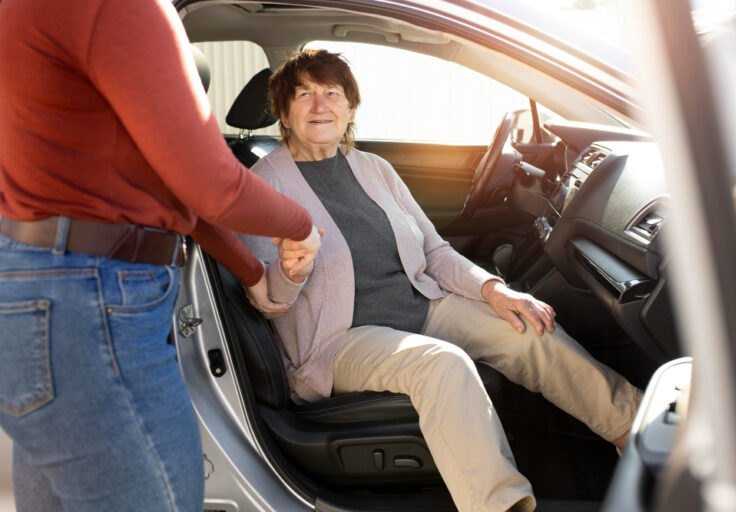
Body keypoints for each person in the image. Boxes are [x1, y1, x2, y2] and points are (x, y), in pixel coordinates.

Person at [240, 49, 643, 512]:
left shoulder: (374, 169)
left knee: (527, 325)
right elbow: (266, 298)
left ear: (350, 107)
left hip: (421, 306)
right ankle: (501, 506)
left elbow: (433, 252)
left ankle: (636, 429)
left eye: (332, 93)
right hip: (338, 342)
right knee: (442, 364)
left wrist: (494, 290)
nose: (319, 106)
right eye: (303, 94)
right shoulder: (263, 185)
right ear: (284, 111)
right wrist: (291, 274)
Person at [0, 1, 322, 511]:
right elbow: (213, 186)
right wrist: (302, 226)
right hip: (93, 304)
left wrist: (249, 271)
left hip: (36, 296)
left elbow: (170, 189)